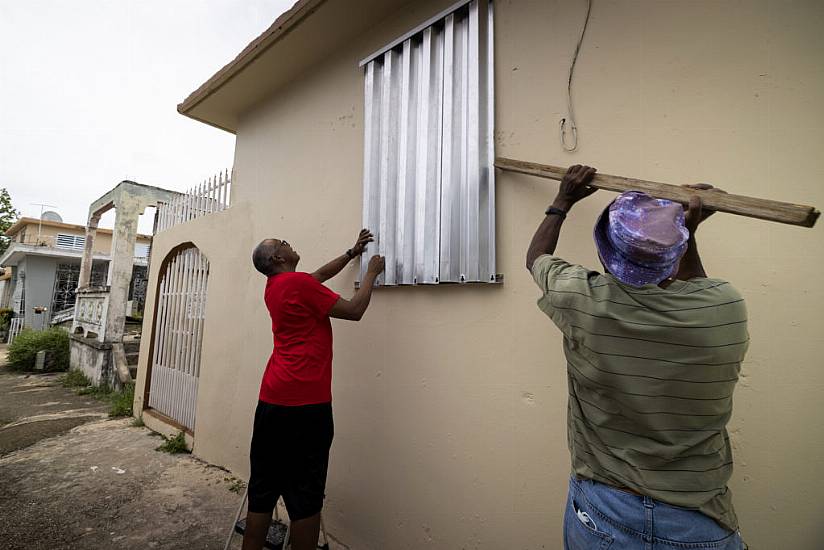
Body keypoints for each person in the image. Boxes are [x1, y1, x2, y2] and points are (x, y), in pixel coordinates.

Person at [526, 165, 749, 549]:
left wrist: (563, 200)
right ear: (675, 255)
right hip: (698, 522)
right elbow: (698, 290)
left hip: (604, 513)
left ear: (609, 252)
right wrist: (685, 232)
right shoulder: (725, 308)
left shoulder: (583, 298)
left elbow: (536, 257)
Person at [243, 229, 385, 550]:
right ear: (279, 257)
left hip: (271, 402)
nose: (289, 243)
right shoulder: (298, 284)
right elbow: (354, 310)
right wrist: (371, 274)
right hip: (306, 406)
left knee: (263, 491)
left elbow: (319, 275)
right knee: (305, 494)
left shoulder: (277, 286)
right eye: (283, 243)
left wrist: (352, 252)